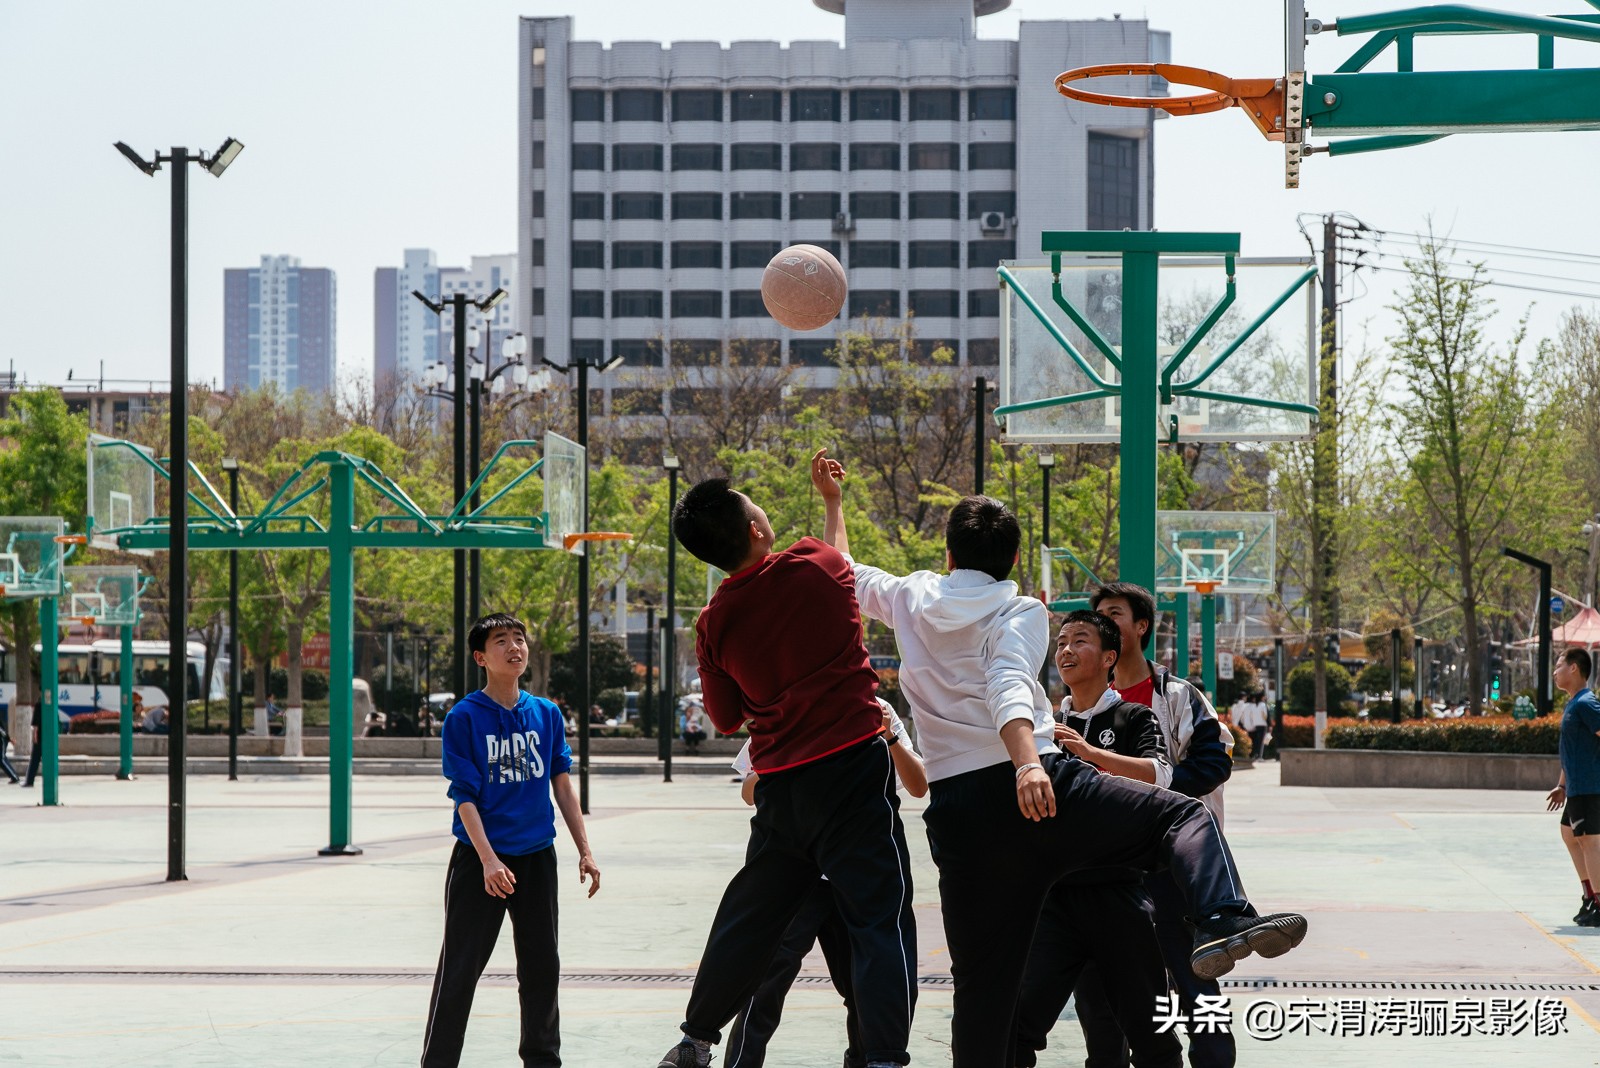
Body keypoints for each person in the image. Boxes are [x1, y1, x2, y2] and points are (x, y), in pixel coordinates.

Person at [815, 455, 1306, 1068]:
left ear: (947, 555)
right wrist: (1026, 763)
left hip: (961, 815)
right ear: (1014, 562)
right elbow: (1008, 682)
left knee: (983, 992)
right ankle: (1223, 916)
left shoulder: (912, 596)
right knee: (1181, 818)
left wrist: (834, 503)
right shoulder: (1018, 611)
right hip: (1043, 786)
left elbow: (842, 572)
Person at [653, 458, 917, 1068]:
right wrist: (833, 501)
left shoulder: (714, 621)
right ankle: (884, 1057)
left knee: (750, 914)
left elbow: (724, 719)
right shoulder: (811, 565)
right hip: (851, 773)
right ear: (755, 530)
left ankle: (695, 1040)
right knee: (880, 919)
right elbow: (840, 563)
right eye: (755, 506)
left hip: (780, 786)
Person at [420, 612, 600, 1068]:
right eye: (501, 641)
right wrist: (487, 860)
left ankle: (542, 1060)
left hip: (537, 858)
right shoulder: (462, 718)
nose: (515, 647)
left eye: (519, 638)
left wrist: (585, 850)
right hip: (481, 863)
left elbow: (561, 783)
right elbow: (464, 797)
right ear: (481, 657)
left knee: (542, 968)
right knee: (460, 970)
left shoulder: (547, 714)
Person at [1012, 611, 1180, 1068]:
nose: (1065, 650)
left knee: (1147, 1036)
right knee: (1015, 1026)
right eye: (1061, 642)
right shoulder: (1038, 725)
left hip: (1118, 895)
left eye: (1079, 641)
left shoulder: (1132, 717)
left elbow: (1160, 776)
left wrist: (1088, 754)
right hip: (1053, 899)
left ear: (1110, 657)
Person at [724, 698, 928, 1068]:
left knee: (865, 987)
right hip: (801, 877)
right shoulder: (794, 700)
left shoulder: (876, 709)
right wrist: (787, 770)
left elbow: (917, 785)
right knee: (766, 982)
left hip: (857, 879)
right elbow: (749, 790)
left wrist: (890, 737)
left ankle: (864, 1060)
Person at [1086, 581, 1240, 1068]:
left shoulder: (1177, 695)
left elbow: (1214, 760)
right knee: (1112, 986)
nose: (1104, 623)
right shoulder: (1078, 705)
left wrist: (1155, 797)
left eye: (1114, 613)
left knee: (1195, 979)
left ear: (1140, 627)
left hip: (1170, 863)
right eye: (1099, 617)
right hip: (1110, 867)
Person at [1546, 647, 1600, 928]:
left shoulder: (1586, 703)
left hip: (1590, 786)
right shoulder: (1574, 703)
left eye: (1559, 666)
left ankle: (1599, 903)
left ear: (1574, 669)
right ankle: (1590, 894)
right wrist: (1561, 785)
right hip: (1577, 786)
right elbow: (1572, 750)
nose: (1555, 672)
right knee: (1569, 834)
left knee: (1590, 841)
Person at [1230, 692, 1270, 762]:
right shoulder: (1250, 705)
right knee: (1256, 741)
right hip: (1252, 726)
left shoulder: (1234, 705)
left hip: (1238, 726)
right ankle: (1255, 755)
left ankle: (1250, 755)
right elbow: (1254, 716)